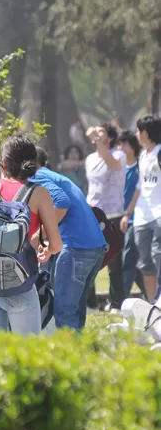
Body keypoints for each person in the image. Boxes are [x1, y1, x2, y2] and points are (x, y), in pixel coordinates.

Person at [0, 137, 63, 336]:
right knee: (25, 360)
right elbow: (57, 244)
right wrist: (46, 250)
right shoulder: (39, 193)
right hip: (21, 287)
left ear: (3, 163)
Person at [32, 148, 107, 330]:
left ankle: (69, 357)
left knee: (65, 310)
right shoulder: (54, 176)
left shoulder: (38, 176)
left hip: (76, 248)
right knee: (75, 310)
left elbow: (62, 202)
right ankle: (79, 354)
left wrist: (40, 234)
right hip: (94, 247)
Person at [85, 124, 127, 311]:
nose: (97, 134)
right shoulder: (90, 159)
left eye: (101, 132)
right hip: (92, 213)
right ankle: (90, 303)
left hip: (114, 213)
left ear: (109, 137)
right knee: (88, 258)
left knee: (114, 262)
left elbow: (111, 163)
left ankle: (116, 303)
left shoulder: (119, 155)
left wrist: (96, 139)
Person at [122, 116, 161, 304]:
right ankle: (154, 304)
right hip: (142, 217)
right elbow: (139, 187)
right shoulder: (143, 156)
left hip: (159, 214)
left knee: (158, 255)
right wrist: (128, 213)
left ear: (145, 133)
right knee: (145, 263)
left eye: (138, 131)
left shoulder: (160, 153)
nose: (136, 135)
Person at [118, 130, 144, 299]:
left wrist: (128, 214)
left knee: (128, 259)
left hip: (134, 218)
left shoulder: (140, 167)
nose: (120, 147)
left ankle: (123, 298)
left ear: (133, 146)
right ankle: (151, 295)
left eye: (124, 144)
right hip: (118, 218)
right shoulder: (117, 168)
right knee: (129, 260)